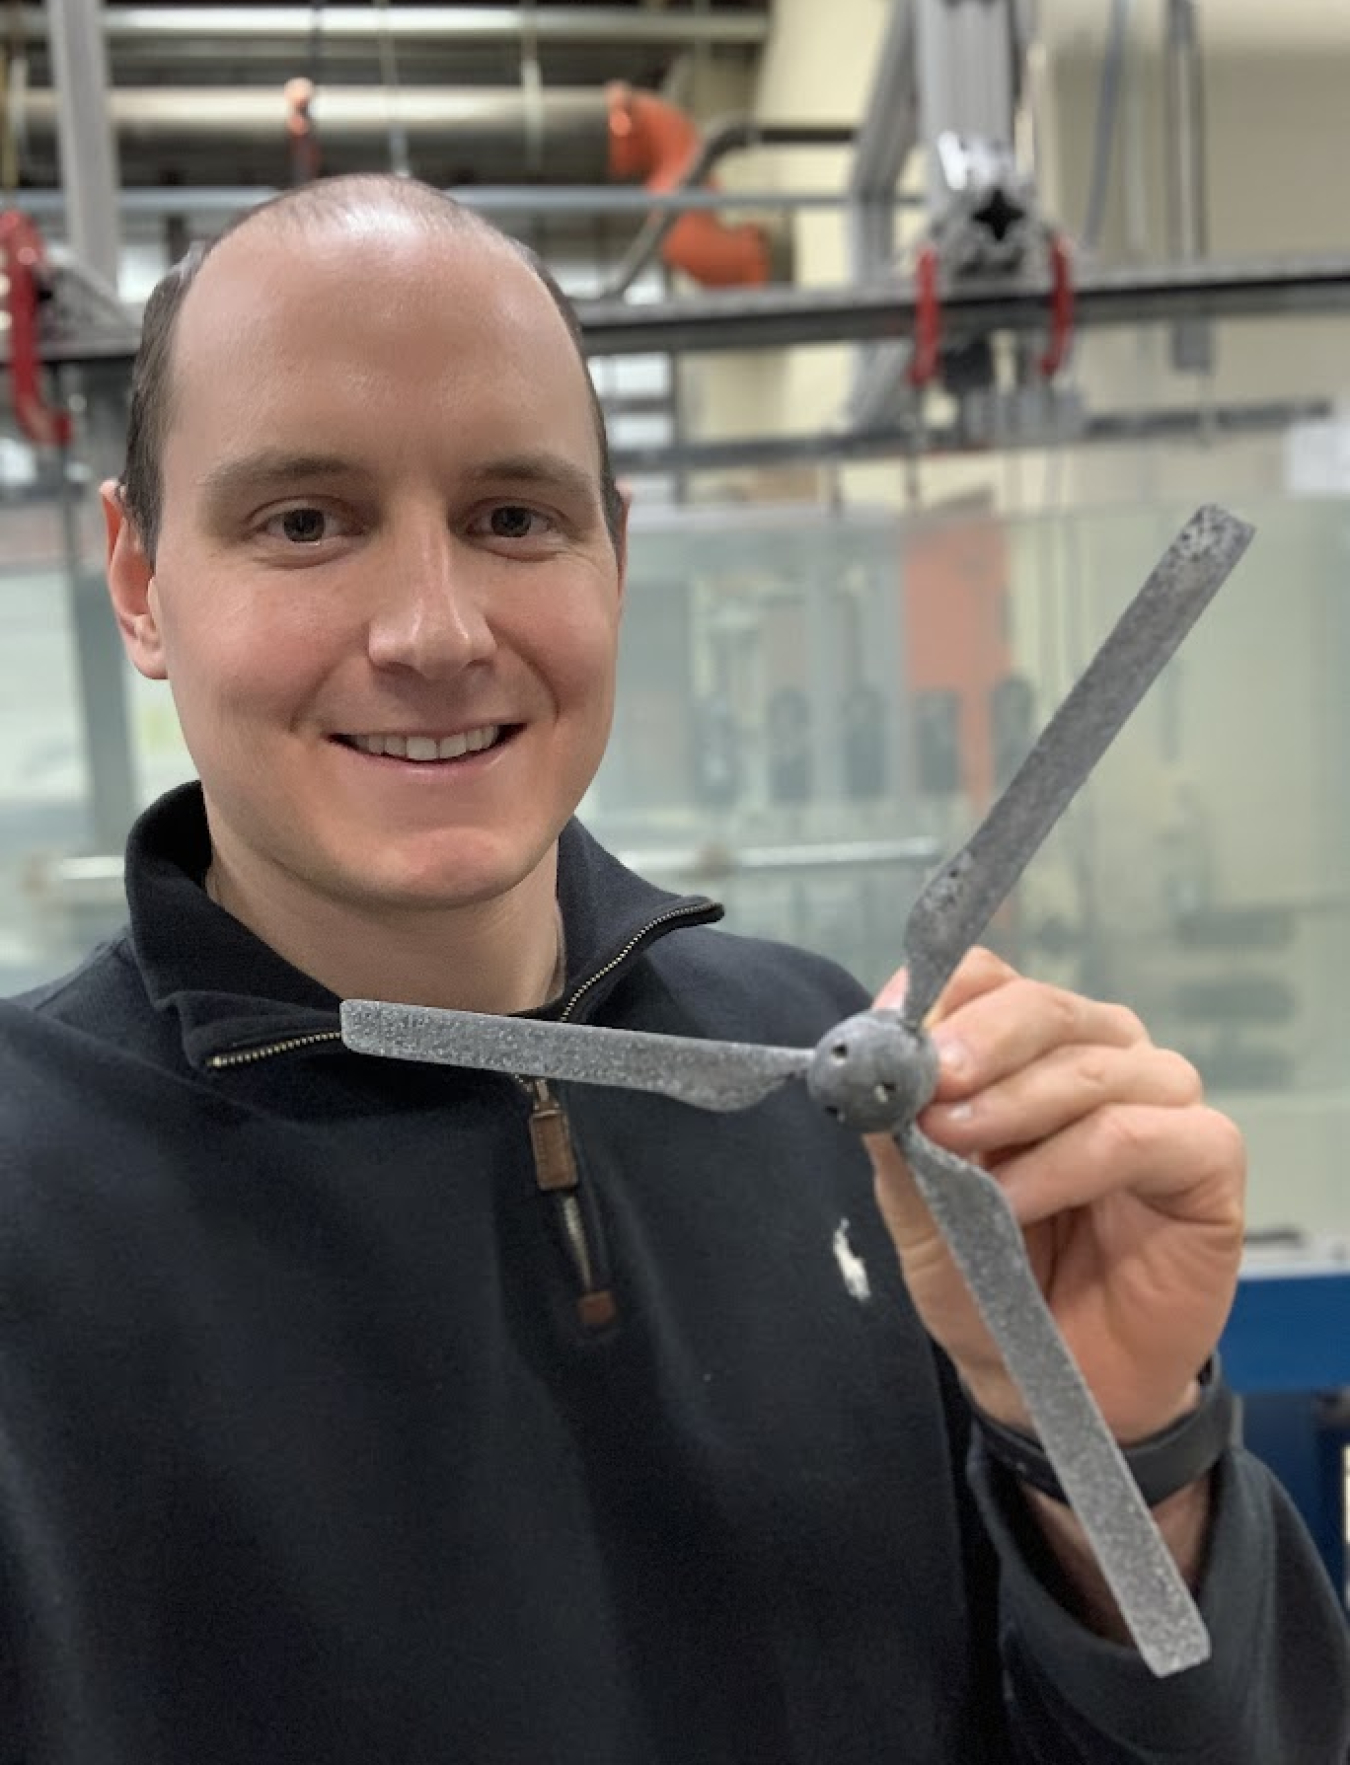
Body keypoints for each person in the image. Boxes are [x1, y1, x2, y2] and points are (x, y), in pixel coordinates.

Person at [0, 173, 1345, 1764]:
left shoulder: (843, 1091)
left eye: (515, 518)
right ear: (144, 580)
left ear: (612, 557)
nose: (433, 629)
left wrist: (1118, 1447)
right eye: (305, 521)